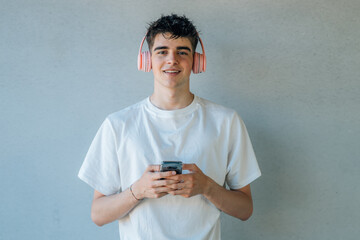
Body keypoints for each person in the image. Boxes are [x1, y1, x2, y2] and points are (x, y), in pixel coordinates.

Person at [78, 14, 261, 240]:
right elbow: (98, 214)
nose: (172, 60)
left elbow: (245, 210)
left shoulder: (226, 121)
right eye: (162, 51)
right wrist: (138, 191)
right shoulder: (118, 125)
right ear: (147, 60)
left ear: (196, 61)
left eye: (182, 52)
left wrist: (207, 187)